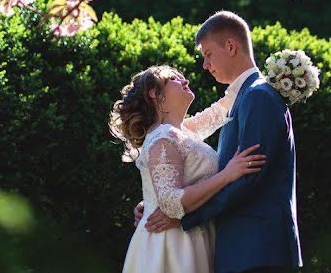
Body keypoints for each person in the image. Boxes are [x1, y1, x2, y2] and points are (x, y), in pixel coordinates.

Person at [141, 11, 302, 273]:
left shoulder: (257, 96)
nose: (204, 65)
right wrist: (155, 201)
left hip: (256, 248)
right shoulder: (244, 97)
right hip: (241, 248)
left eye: (207, 54)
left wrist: (185, 216)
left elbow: (248, 177)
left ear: (230, 46)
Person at [110, 65, 265, 273]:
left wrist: (267, 75)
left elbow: (222, 108)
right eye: (174, 79)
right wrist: (227, 175)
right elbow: (171, 204)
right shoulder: (164, 138)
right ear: (155, 94)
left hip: (192, 235)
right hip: (173, 244)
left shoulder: (183, 131)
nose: (186, 81)